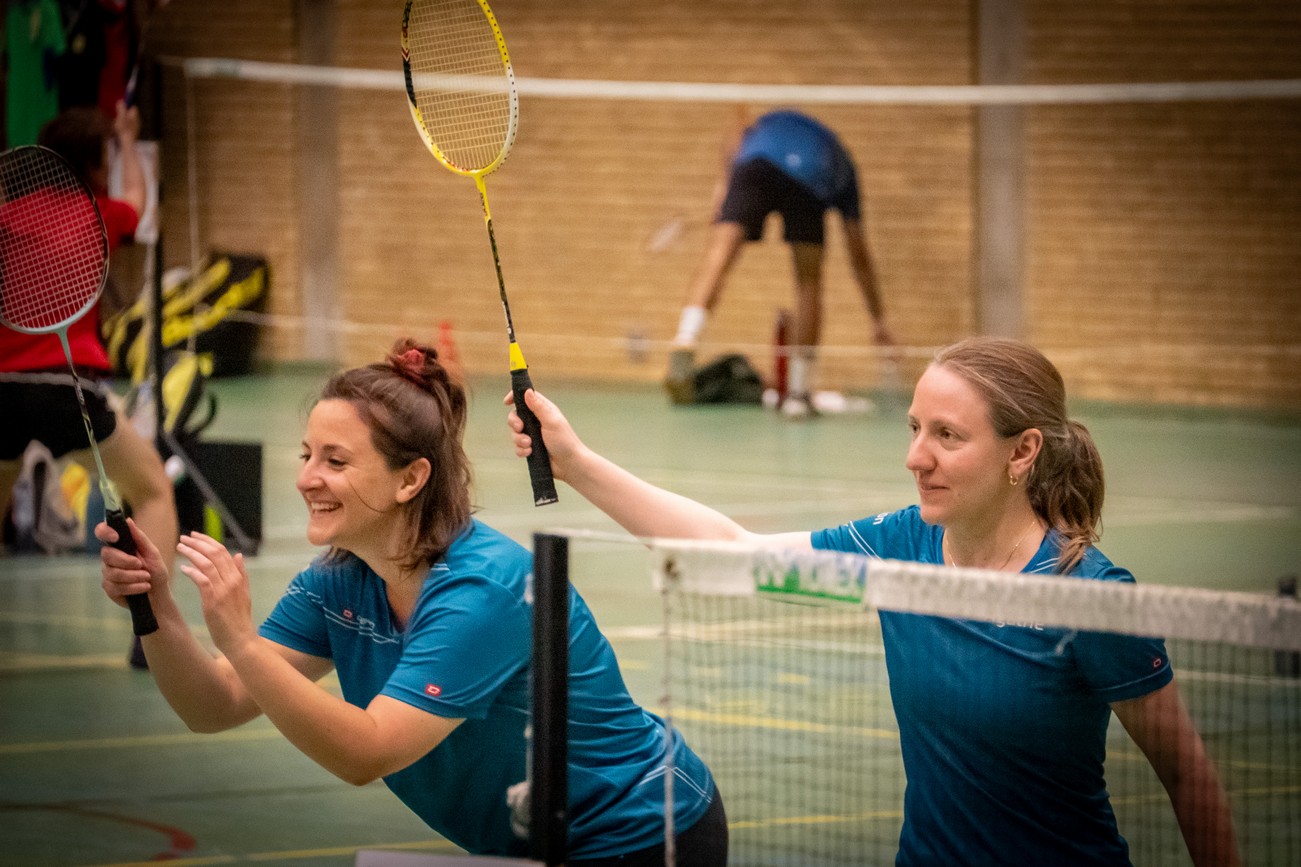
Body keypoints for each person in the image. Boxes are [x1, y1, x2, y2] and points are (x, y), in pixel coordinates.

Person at [509, 336, 1241, 866]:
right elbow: (732, 552)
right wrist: (575, 463)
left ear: (1022, 452)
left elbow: (1186, 774)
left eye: (947, 436)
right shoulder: (900, 545)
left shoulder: (1090, 597)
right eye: (915, 428)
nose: (916, 457)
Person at [96, 340, 728, 865]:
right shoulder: (339, 579)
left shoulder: (484, 591)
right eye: (307, 455)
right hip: (529, 840)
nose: (307, 478)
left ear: (410, 479)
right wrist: (158, 607)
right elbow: (214, 705)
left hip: (642, 834)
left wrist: (240, 641)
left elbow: (367, 752)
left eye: (336, 461)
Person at [0, 100, 174, 669]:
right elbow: (141, 204)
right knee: (152, 489)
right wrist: (128, 139)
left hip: (3, 388)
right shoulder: (98, 211)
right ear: (93, 163)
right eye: (104, 157)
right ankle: (152, 635)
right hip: (68, 386)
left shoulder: (5, 217)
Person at [666, 106, 895, 418]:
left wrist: (726, 183)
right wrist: (877, 318)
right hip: (811, 177)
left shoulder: (763, 127)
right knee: (808, 282)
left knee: (720, 253)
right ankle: (798, 395)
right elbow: (859, 254)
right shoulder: (842, 165)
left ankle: (687, 336)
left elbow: (738, 124)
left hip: (756, 163)